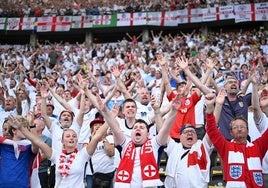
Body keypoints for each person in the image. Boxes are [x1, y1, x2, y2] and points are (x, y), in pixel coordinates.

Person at [86, 90, 180, 187]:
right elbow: (115, 128)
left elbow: (164, 129)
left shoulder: (153, 143)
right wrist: (105, 111)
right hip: (124, 177)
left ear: (148, 134)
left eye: (142, 127)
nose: (138, 128)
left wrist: (173, 111)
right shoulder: (125, 142)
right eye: (135, 127)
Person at [9, 114, 109, 188]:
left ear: (77, 140)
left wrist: (109, 117)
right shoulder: (56, 155)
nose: (71, 138)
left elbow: (97, 136)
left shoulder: (83, 154)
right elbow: (37, 141)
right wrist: (21, 128)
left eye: (74, 136)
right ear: (62, 141)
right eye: (68, 136)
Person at [206, 90, 268, 187]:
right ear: (230, 132)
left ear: (248, 131)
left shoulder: (258, 146)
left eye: (242, 127)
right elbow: (211, 130)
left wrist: (266, 108)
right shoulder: (225, 146)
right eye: (235, 127)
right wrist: (211, 109)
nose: (239, 129)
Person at [0, 114, 38, 188]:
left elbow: (36, 143)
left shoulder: (29, 145)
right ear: (14, 130)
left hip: (22, 185)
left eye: (27, 128)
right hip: (3, 185)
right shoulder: (3, 144)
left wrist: (32, 125)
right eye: (23, 128)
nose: (26, 131)